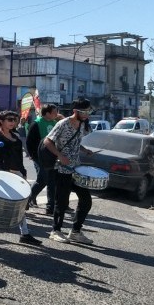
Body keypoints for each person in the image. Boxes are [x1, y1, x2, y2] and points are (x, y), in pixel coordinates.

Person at [42, 98, 95, 244]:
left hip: (76, 168)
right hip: (61, 168)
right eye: (83, 112)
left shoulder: (83, 125)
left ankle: (75, 231)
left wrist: (85, 150)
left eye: (88, 111)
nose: (86, 115)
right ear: (75, 111)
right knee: (62, 201)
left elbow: (76, 142)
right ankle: (55, 231)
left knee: (86, 200)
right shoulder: (63, 123)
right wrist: (60, 156)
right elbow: (48, 141)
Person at [0, 111, 42, 245]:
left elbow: (19, 157)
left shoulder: (16, 136)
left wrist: (23, 171)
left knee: (20, 205)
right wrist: (1, 172)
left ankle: (25, 233)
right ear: (1, 121)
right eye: (10, 119)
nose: (13, 122)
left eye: (15, 119)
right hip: (3, 174)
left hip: (17, 173)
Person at [26, 104, 60, 214]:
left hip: (52, 157)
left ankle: (50, 207)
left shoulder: (56, 124)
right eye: (54, 112)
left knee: (52, 182)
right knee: (43, 180)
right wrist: (33, 155)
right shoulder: (36, 123)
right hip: (39, 157)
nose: (56, 114)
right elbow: (29, 142)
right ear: (47, 113)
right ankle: (27, 199)